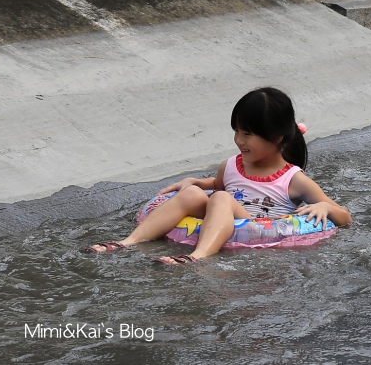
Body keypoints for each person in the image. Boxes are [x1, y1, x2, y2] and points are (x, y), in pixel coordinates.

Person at [83, 87, 352, 265]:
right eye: (236, 131)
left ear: (277, 137)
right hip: (223, 213)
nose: (239, 140)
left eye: (247, 134)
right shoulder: (231, 165)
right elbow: (216, 187)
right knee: (195, 194)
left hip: (256, 227)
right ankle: (128, 241)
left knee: (222, 199)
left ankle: (198, 255)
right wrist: (195, 183)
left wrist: (324, 207)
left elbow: (345, 217)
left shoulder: (294, 179)